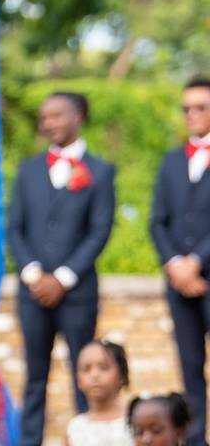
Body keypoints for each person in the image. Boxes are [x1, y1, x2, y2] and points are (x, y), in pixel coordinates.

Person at [8, 91, 116, 445]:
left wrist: (65, 278)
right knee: (34, 378)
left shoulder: (100, 171)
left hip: (78, 294)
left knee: (84, 376)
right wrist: (34, 274)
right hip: (32, 292)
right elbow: (14, 228)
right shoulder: (27, 169)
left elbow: (100, 230)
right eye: (44, 117)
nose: (48, 123)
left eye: (57, 115)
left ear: (78, 116)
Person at [150, 76, 210, 446]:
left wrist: (196, 262)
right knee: (189, 368)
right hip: (178, 284)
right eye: (186, 108)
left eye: (200, 107)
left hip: (206, 276)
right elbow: (157, 220)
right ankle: (195, 440)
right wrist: (175, 263)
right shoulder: (171, 161)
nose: (191, 114)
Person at [65, 340, 133, 446]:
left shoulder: (134, 423)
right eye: (86, 369)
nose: (94, 375)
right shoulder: (74, 429)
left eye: (104, 367)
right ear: (78, 379)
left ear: (121, 374)